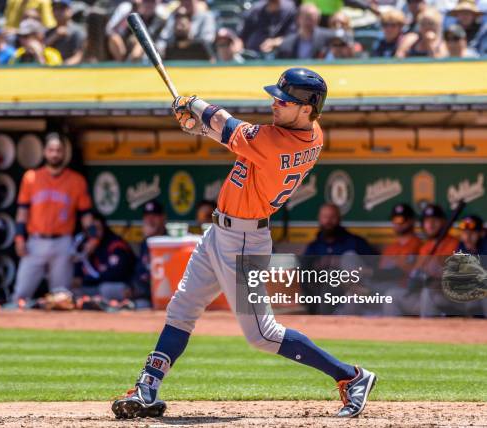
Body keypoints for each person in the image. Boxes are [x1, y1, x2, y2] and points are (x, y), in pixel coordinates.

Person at [112, 68, 377, 419]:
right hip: (222, 232)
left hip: (243, 242)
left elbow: (229, 125)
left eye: (285, 100)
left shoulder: (276, 140)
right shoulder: (310, 135)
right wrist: (198, 124)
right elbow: (235, 138)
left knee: (262, 335)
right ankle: (148, 386)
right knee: (182, 309)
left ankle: (352, 376)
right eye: (276, 97)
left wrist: (193, 103)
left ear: (306, 109)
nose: (275, 103)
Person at [12, 133, 92, 303]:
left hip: (63, 242)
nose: (55, 154)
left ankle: (60, 328)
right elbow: (22, 212)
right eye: (51, 150)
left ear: (64, 153)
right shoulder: (31, 178)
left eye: (58, 150)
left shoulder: (76, 180)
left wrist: (93, 239)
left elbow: (86, 215)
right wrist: (19, 239)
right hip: (35, 241)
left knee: (61, 297)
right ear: (44, 152)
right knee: (21, 293)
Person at [383, 204, 459, 316]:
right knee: (392, 295)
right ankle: (394, 332)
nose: (431, 224)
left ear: (443, 222)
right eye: (427, 221)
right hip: (423, 295)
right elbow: (417, 272)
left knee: (428, 292)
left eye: (435, 220)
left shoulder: (454, 244)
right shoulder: (425, 247)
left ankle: (427, 332)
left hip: (446, 297)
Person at [420, 214, 487, 317]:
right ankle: (429, 330)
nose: (467, 237)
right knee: (430, 291)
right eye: (464, 233)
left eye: (472, 233)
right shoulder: (462, 246)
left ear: (482, 233)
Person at [74, 211, 136, 303]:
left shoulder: (115, 244)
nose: (94, 232)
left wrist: (89, 279)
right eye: (90, 229)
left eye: (96, 227)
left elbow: (116, 275)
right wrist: (86, 254)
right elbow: (77, 278)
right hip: (94, 288)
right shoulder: (83, 245)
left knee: (105, 288)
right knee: (74, 293)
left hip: (120, 287)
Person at [132, 200, 167, 309]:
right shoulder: (145, 243)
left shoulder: (169, 241)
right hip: (144, 294)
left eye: (154, 216)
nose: (150, 220)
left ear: (163, 218)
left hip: (165, 295)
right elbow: (139, 272)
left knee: (141, 306)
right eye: (147, 216)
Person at [45, 0, 84, 65]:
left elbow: (79, 56)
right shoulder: (49, 32)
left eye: (62, 8)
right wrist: (54, 37)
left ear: (70, 11)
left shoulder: (77, 31)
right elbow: (41, 53)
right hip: (49, 71)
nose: (58, 12)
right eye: (55, 9)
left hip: (71, 71)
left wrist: (62, 67)